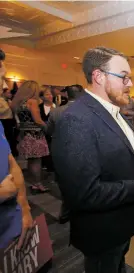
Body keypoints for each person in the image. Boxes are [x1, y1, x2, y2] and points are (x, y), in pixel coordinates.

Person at [52, 47, 134, 273]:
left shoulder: (112, 111)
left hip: (120, 223)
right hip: (102, 232)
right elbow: (84, 193)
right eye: (124, 77)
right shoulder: (76, 120)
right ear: (98, 76)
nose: (130, 84)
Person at [0, 50, 33, 250]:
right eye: (1, 79)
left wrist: (25, 209)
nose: (5, 86)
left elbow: (12, 163)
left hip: (10, 227)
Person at [46, 84, 84, 224]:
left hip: (60, 151)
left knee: (64, 181)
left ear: (67, 95)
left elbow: (49, 131)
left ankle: (66, 211)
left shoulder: (56, 112)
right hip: (81, 152)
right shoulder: (87, 111)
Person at [11, 81, 50, 194]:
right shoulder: (32, 102)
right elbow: (37, 120)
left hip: (24, 134)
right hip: (35, 135)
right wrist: (47, 127)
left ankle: (34, 183)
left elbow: (18, 122)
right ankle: (39, 184)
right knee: (37, 161)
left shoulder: (18, 103)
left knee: (31, 161)